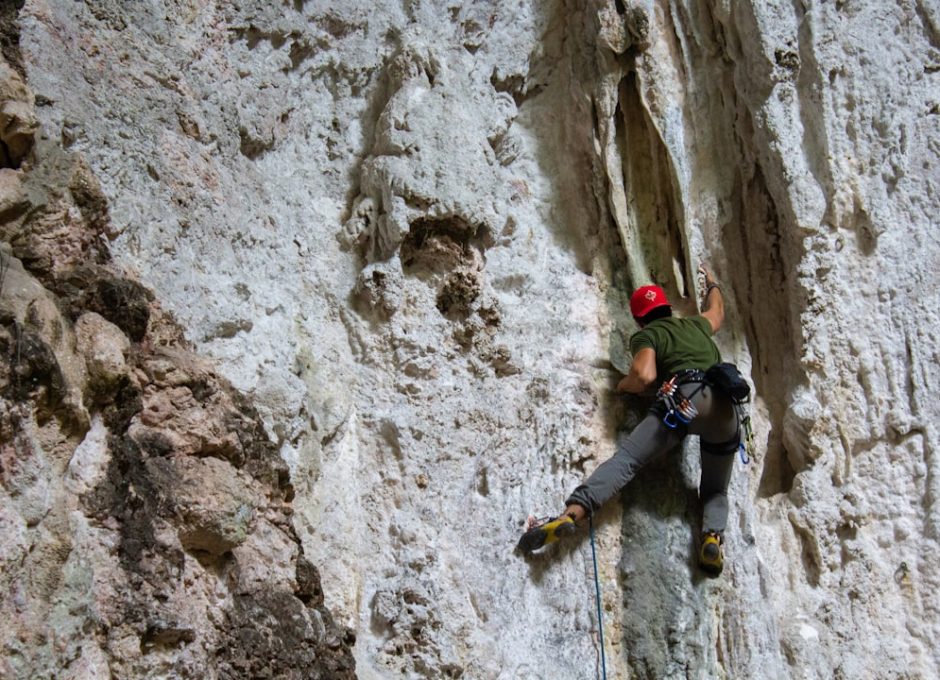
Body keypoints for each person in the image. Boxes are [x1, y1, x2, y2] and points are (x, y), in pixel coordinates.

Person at [517, 266, 740, 575]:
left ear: (639, 318)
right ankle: (712, 538)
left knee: (627, 460)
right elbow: (716, 311)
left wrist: (623, 386)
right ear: (666, 308)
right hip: (725, 410)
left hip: (684, 401)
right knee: (716, 489)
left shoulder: (648, 334)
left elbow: (644, 374)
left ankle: (571, 515)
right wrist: (713, 283)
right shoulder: (695, 325)